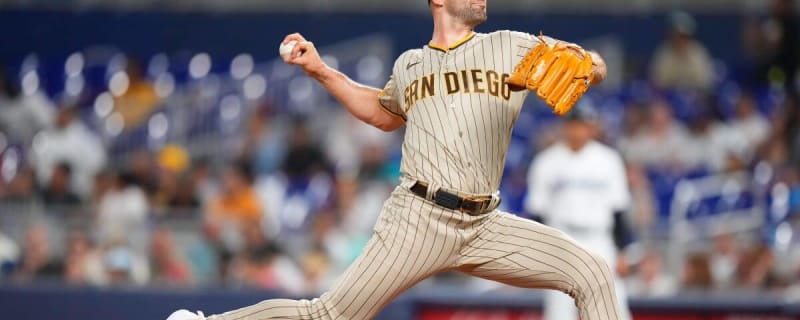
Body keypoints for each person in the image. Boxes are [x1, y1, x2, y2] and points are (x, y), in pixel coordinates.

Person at [168, 0, 621, 319]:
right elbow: (384, 114)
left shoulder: (508, 46)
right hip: (419, 218)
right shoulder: (410, 65)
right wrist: (322, 71)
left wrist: (586, 62)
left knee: (593, 274)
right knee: (330, 315)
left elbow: (593, 67)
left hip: (485, 223)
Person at [525, 104, 633, 320]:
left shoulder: (609, 160)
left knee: (613, 305)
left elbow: (619, 210)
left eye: (583, 125)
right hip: (562, 241)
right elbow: (536, 213)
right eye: (573, 125)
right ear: (565, 127)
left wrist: (622, 251)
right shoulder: (546, 161)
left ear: (592, 128)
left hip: (599, 239)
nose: (578, 130)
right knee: (559, 311)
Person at [649, 11, 715, 92]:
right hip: (669, 98)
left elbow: (706, 82)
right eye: (676, 35)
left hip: (695, 97)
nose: (680, 40)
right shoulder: (663, 53)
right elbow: (656, 82)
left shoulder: (698, 52)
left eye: (683, 36)